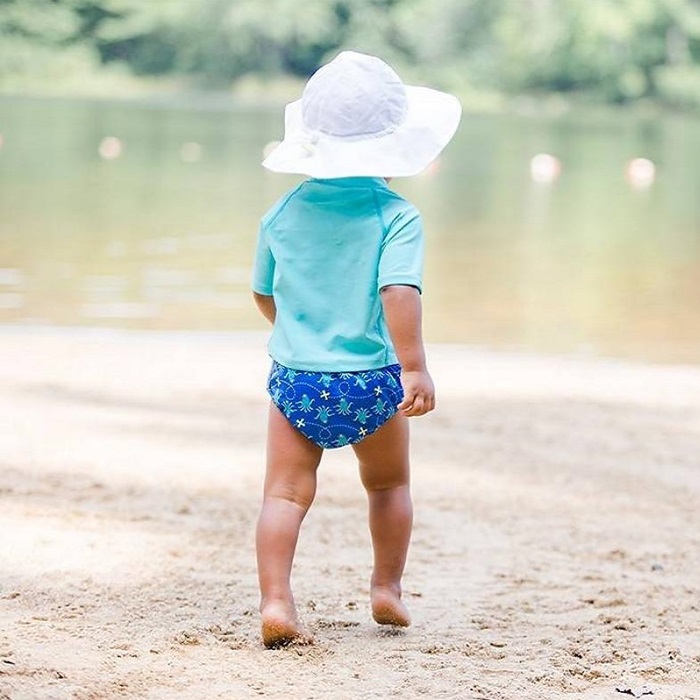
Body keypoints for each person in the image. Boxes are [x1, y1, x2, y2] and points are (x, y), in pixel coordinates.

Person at [252, 50, 461, 648]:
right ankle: (386, 588)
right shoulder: (396, 214)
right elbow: (398, 290)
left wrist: (300, 333)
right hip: (372, 378)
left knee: (284, 493)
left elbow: (265, 294)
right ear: (396, 146)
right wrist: (415, 365)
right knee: (389, 486)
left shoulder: (281, 212)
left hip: (296, 378)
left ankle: (276, 601)